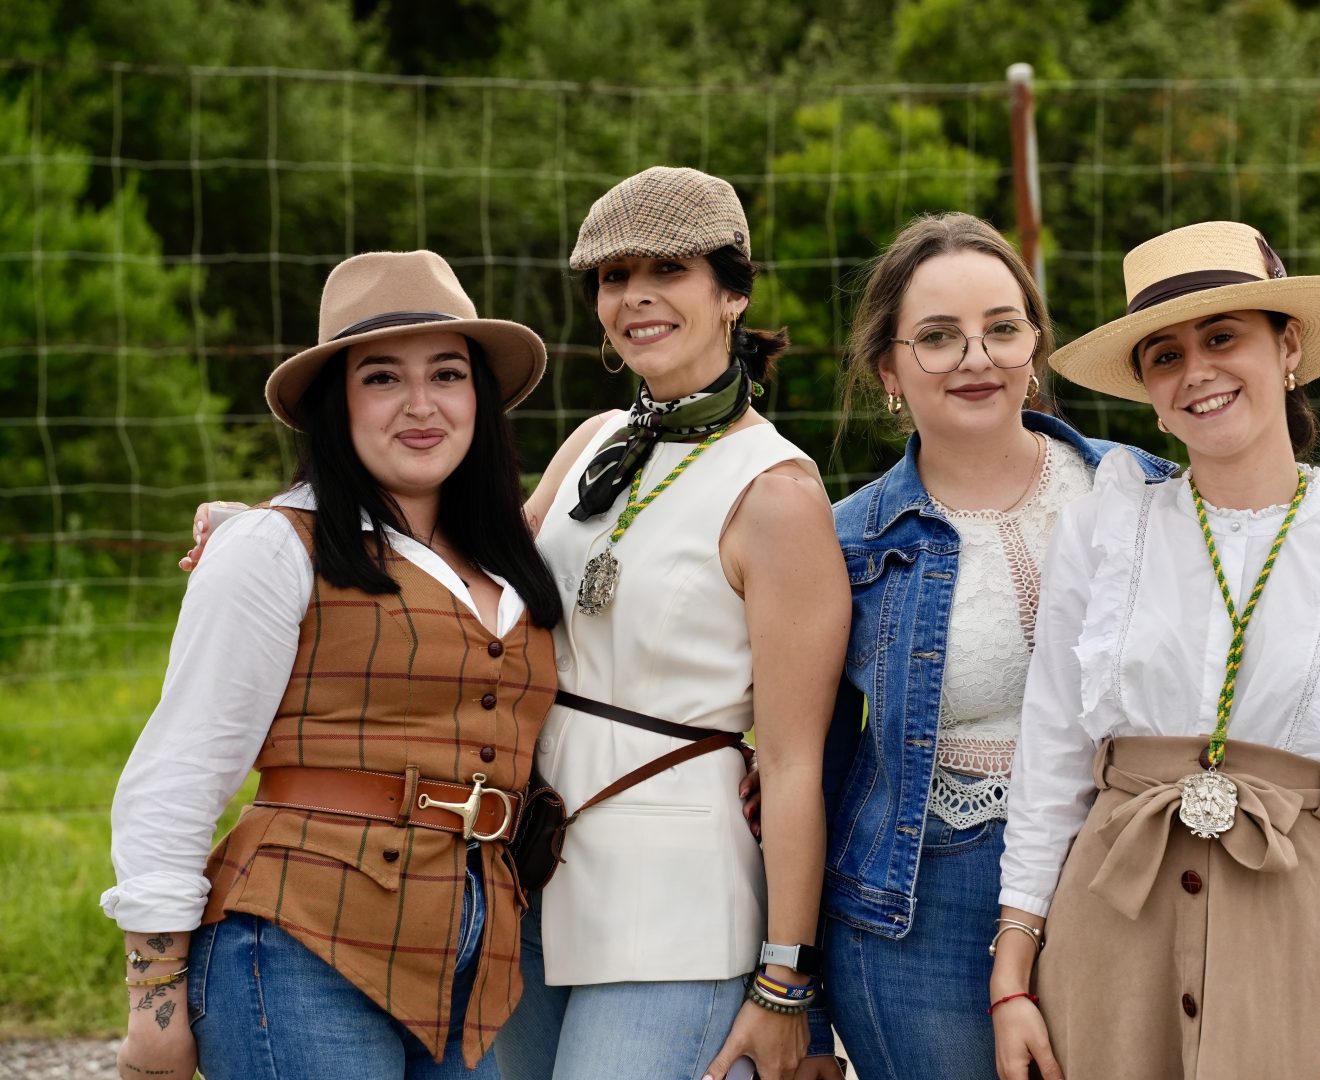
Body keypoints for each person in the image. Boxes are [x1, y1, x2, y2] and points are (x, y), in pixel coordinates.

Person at [990, 221, 1320, 1080]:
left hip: (1291, 946)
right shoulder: (1103, 535)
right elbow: (1051, 758)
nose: (1196, 372)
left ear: (1289, 347)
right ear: (1148, 391)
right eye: (1165, 356)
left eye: (1221, 338)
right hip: (1109, 939)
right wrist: (1012, 978)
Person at [103, 249, 564, 1079]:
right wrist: (153, 1002)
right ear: (334, 403)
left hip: (471, 964)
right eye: (382, 378)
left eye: (448, 374)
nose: (421, 405)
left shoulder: (511, 559)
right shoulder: (272, 546)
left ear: (480, 397)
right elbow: (180, 771)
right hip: (295, 950)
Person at [794, 212, 1175, 1080]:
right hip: (922, 912)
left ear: (1035, 347)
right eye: (937, 338)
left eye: (1002, 329)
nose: (977, 358)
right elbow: (811, 772)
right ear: (888, 369)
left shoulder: (1139, 492)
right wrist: (802, 1006)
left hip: (1128, 875)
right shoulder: (846, 540)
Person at [490, 166, 850, 1080]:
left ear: (733, 293)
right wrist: (286, 526)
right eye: (615, 277)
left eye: (669, 270)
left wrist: (785, 983)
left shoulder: (777, 493)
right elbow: (467, 579)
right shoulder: (591, 443)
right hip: (529, 869)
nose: (636, 297)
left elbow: (794, 762)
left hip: (676, 902)